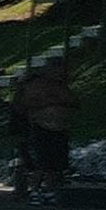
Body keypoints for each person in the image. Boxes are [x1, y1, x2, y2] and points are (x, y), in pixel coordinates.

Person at [16, 63, 79, 193]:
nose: (59, 74)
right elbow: (24, 104)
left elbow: (73, 102)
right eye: (56, 71)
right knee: (40, 162)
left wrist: (60, 103)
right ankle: (34, 189)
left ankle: (53, 189)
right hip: (40, 126)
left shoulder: (63, 88)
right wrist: (47, 103)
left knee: (57, 164)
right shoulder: (36, 86)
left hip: (60, 128)